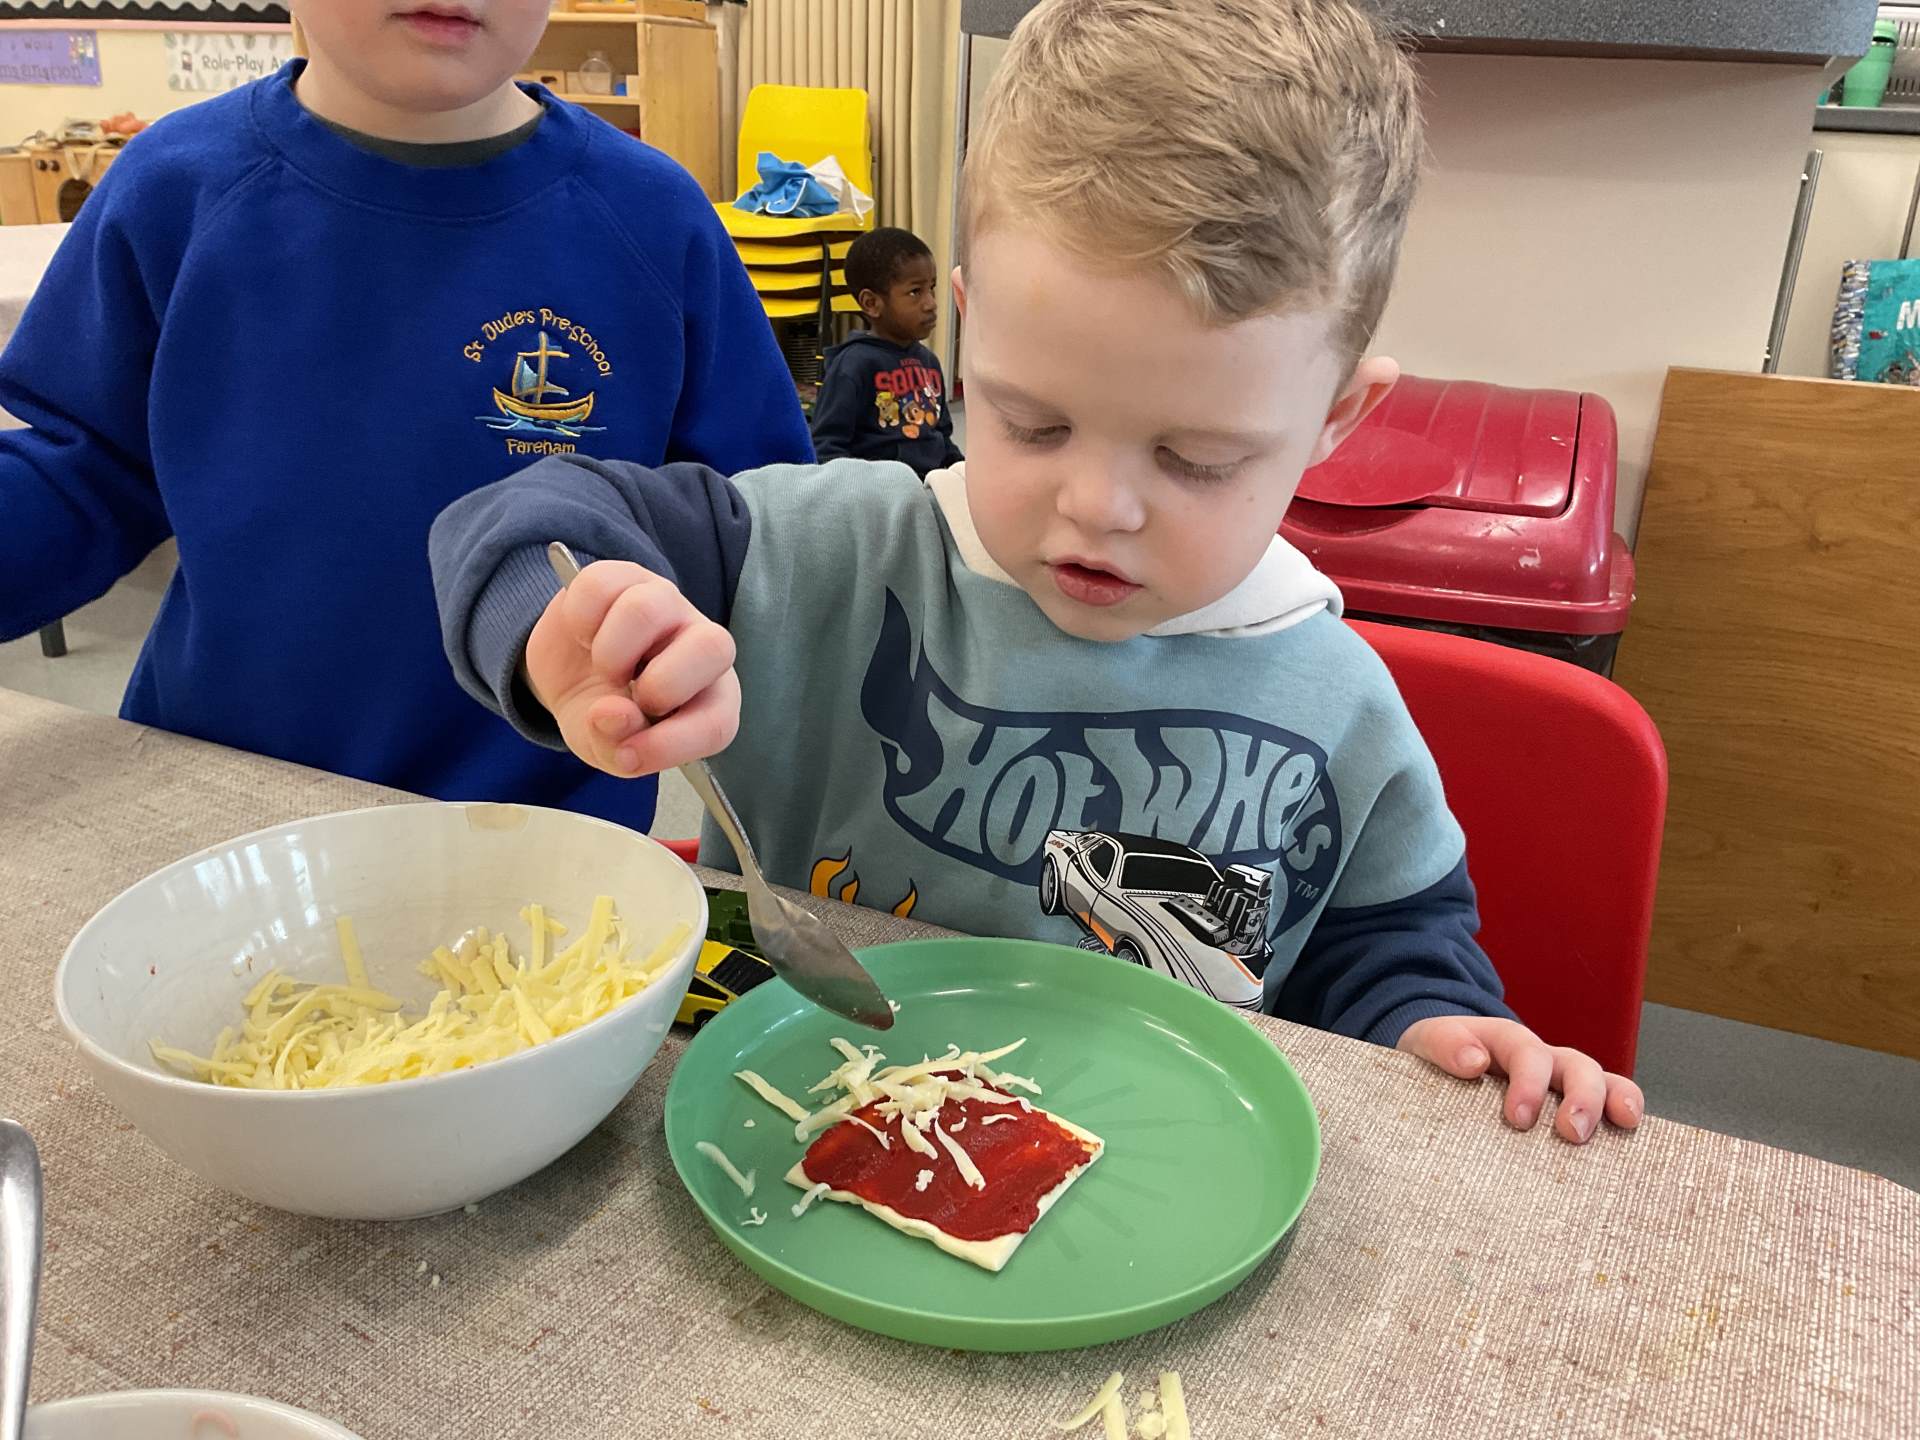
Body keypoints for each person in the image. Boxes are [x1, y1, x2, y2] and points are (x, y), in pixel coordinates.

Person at [430, 0, 1643, 1144]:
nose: (1097, 507)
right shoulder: (825, 554)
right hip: (784, 1137)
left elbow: (1386, 954)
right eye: (1033, 422)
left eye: (1198, 459)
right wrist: (566, 621)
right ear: (966, 332)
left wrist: (1439, 1030)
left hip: (1145, 1187)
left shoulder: (1343, 706)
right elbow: (533, 515)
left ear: (1335, 420)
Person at [0, 0, 810, 833]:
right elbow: (85, 468)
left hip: (545, 835)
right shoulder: (172, 186)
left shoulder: (655, 216)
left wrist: (681, 656)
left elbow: (762, 530)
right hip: (226, 808)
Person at [809, 226, 964, 477]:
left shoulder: (929, 363)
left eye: (932, 288)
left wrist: (961, 473)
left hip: (929, 487)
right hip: (880, 493)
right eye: (915, 292)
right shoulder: (853, 365)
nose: (931, 304)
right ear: (872, 303)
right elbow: (826, 448)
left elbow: (942, 437)